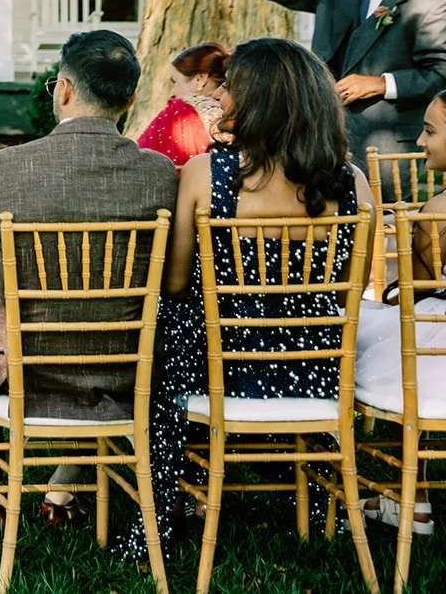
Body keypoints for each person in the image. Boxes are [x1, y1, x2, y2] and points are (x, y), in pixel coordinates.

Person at [116, 37, 374, 560]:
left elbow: (174, 282)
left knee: (165, 322)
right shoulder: (353, 184)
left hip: (222, 368)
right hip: (314, 369)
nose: (222, 100)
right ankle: (316, 492)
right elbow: (356, 286)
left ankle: (166, 502)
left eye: (231, 90)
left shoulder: (206, 174)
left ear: (257, 101)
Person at [0, 30, 178, 540]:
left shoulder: (1, 168)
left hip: (22, 373)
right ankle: (64, 483)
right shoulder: (160, 173)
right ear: (131, 98)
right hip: (122, 374)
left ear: (64, 90)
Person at [243, 0, 446, 194]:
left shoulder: (430, 0)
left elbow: (439, 73)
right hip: (319, 138)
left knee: (377, 231)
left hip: (384, 150)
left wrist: (380, 83)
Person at [352, 86, 446, 537]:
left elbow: (419, 294)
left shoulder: (439, 211)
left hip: (435, 352)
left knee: (377, 327)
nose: (421, 142)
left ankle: (413, 498)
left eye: (430, 131)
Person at [136, 41, 230, 168]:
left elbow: (140, 165)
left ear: (200, 79)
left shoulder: (179, 111)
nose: (171, 94)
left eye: (175, 82)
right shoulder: (241, 116)